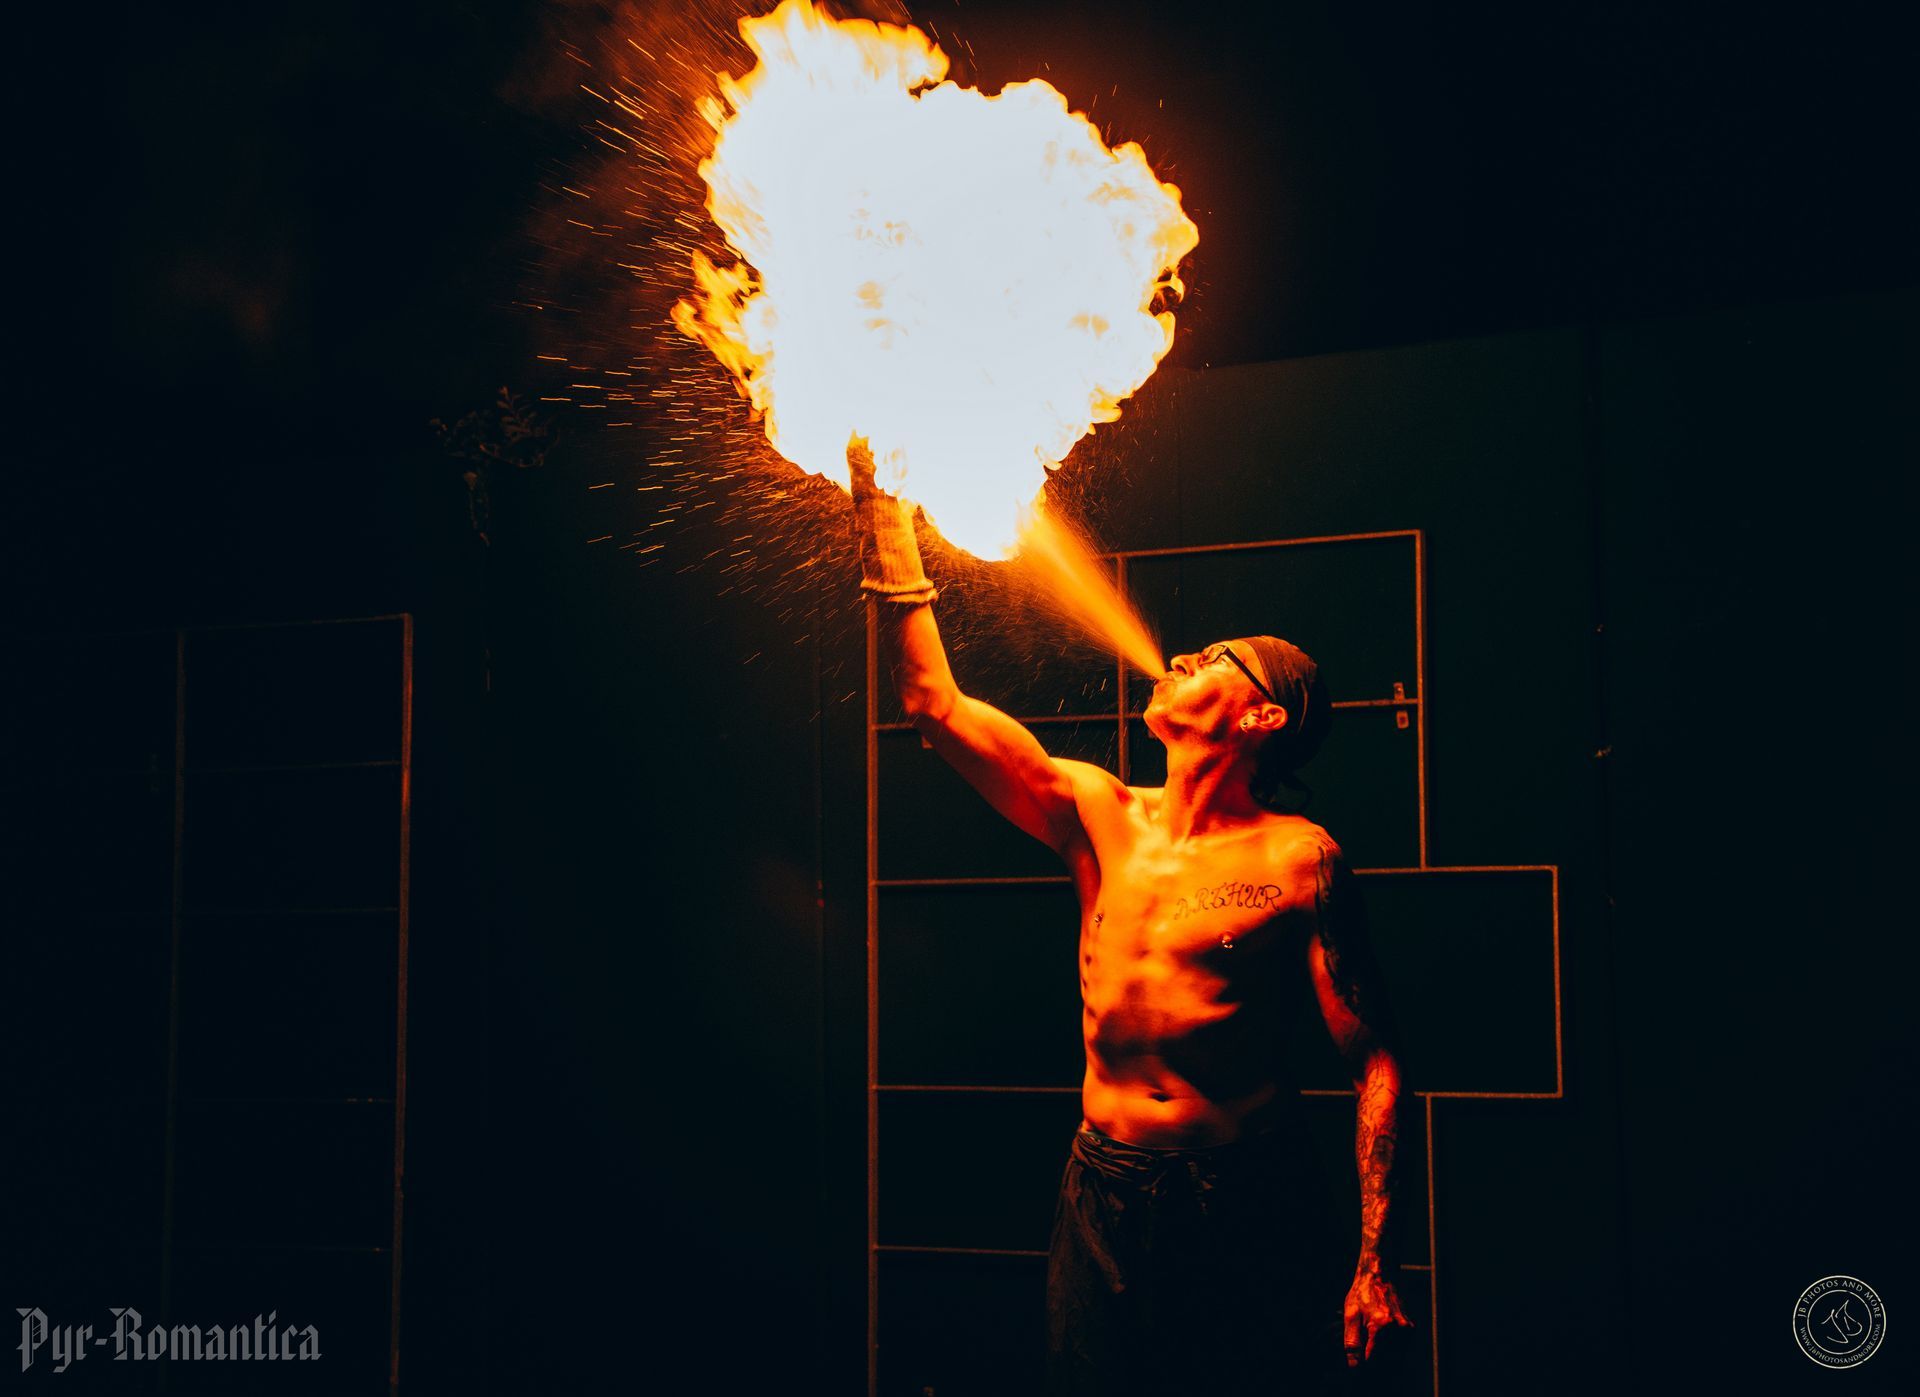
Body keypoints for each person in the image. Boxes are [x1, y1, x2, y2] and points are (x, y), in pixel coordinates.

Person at [851, 441, 1413, 1395]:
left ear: (1265, 717)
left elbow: (1377, 1060)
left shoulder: (1300, 858)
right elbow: (933, 704)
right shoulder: (1098, 813)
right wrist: (882, 508)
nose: (1184, 656)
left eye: (1218, 659)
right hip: (1104, 1192)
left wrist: (1374, 1259)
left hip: (1246, 1195)